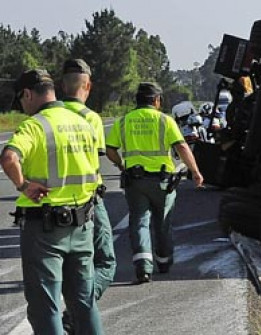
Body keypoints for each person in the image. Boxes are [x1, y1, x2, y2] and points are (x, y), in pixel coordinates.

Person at [1, 69, 103, 334]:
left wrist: (23, 185)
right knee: (84, 303)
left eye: (21, 101)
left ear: (27, 94)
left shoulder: (35, 125)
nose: (23, 107)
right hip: (83, 225)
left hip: (44, 229)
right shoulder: (83, 122)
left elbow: (9, 158)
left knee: (45, 306)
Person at [106, 82, 203, 283]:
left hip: (135, 182)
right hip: (162, 183)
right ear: (157, 100)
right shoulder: (165, 121)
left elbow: (110, 149)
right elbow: (182, 147)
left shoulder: (124, 121)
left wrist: (121, 165)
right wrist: (195, 171)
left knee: (139, 221)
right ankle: (164, 261)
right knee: (163, 223)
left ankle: (143, 267)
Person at [59, 58, 116, 300]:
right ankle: (82, 307)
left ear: (62, 86)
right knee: (106, 260)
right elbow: (95, 157)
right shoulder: (91, 118)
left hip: (55, 202)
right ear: (88, 86)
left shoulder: (50, 116)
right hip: (89, 199)